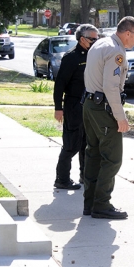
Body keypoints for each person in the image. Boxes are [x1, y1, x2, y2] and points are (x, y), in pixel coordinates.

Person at [82, 16, 134, 219]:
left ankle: (90, 202)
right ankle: (102, 204)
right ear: (127, 33)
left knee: (94, 155)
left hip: (90, 105)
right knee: (113, 159)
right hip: (104, 109)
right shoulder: (116, 51)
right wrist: (120, 117)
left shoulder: (100, 43)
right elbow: (110, 87)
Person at [53, 24, 99, 190]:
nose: (95, 41)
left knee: (86, 144)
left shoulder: (93, 55)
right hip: (73, 105)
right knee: (71, 144)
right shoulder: (71, 57)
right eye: (92, 39)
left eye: (97, 38)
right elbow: (60, 85)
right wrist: (58, 107)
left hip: (89, 105)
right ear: (82, 39)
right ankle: (62, 179)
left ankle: (85, 176)